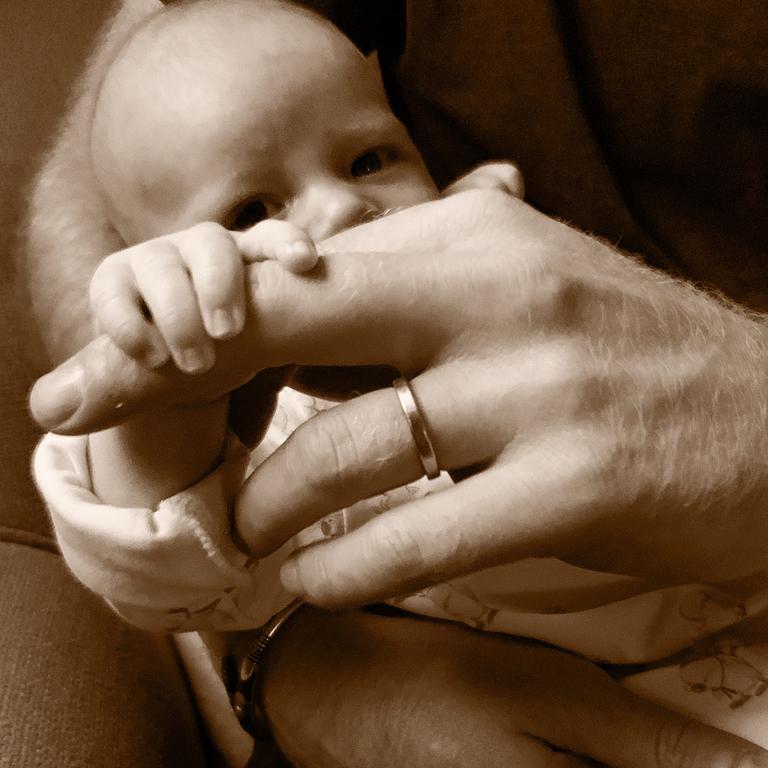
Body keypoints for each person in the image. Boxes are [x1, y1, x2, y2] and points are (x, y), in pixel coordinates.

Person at [23, 0, 768, 766]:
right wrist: (166, 395)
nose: (344, 205)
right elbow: (165, 576)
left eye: (370, 160)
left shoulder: (497, 265)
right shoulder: (248, 421)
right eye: (251, 209)